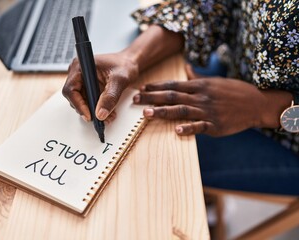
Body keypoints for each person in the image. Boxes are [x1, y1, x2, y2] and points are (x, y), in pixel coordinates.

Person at [63, 0, 299, 196]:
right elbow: (218, 5)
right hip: (233, 68)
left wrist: (264, 108)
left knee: (151, 158)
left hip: (286, 139)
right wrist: (131, 58)